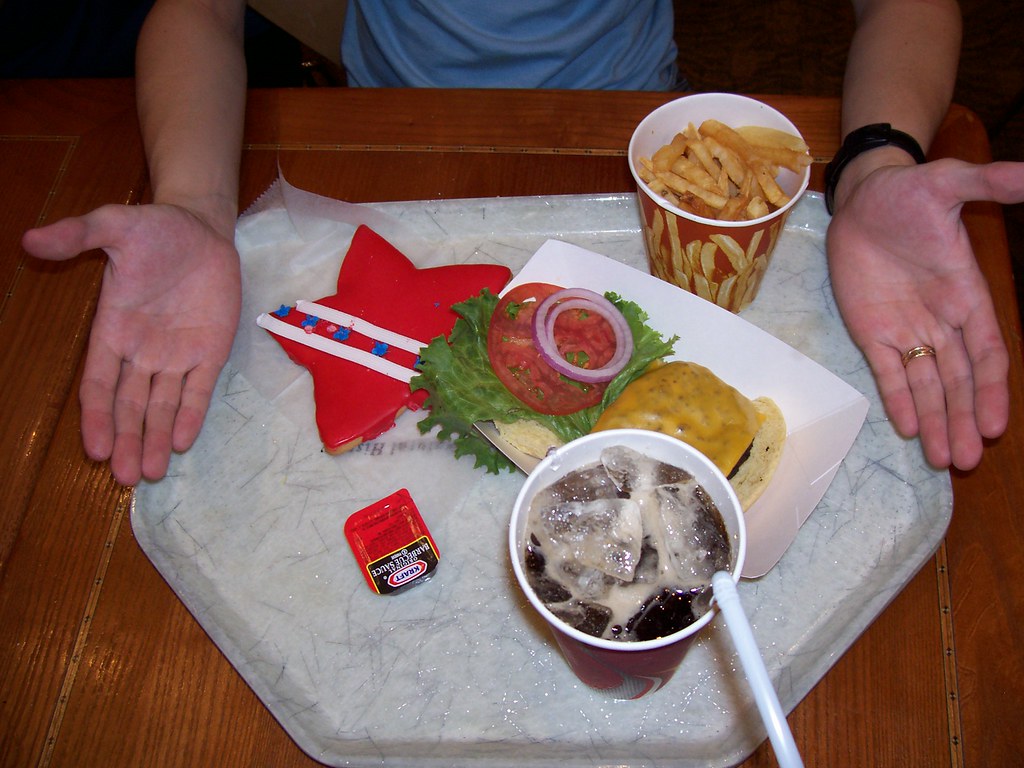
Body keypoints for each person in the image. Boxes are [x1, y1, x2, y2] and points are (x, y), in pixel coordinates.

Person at [20, 0, 1023, 486]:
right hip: (394, 133)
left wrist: (878, 163)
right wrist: (196, 204)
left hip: (625, 126)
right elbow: (193, 11)